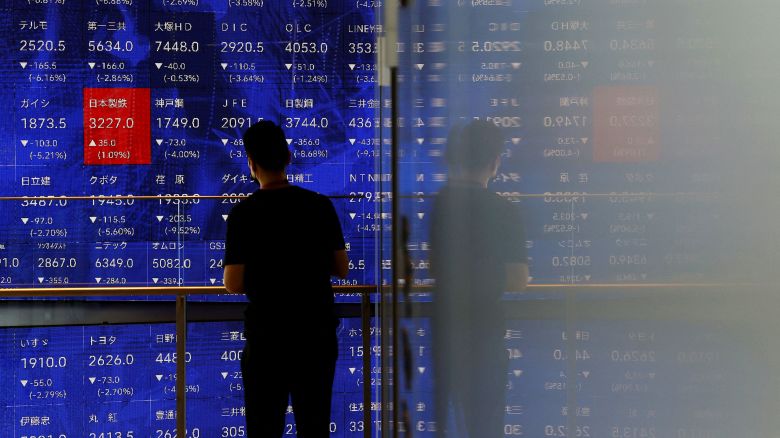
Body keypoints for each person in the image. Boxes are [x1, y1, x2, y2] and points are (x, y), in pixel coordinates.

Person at [223, 120, 349, 438]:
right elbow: (342, 268)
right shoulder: (320, 206)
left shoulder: (243, 214)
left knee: (264, 428)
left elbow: (233, 282)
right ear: (288, 158)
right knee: (314, 425)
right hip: (315, 336)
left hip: (267, 338)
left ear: (251, 164)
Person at [430, 119, 529, 437]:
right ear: (494, 162)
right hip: (485, 333)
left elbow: (436, 267)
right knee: (486, 426)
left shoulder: (440, 204)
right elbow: (518, 279)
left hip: (444, 330)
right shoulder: (505, 211)